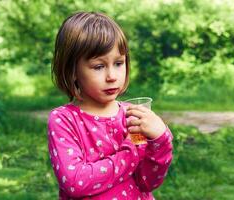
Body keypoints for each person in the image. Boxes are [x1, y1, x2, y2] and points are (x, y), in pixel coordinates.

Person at [48, 11, 173, 200]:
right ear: (72, 70)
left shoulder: (131, 116)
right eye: (98, 66)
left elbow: (147, 181)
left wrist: (160, 139)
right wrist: (132, 151)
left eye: (118, 63)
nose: (112, 76)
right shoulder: (64, 119)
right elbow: (75, 182)